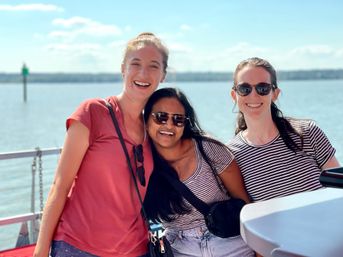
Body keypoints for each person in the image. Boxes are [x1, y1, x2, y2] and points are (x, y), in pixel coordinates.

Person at [33, 32, 169, 257]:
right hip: (77, 247)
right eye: (135, 64)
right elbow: (60, 186)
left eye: (153, 66)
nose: (143, 73)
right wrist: (40, 250)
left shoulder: (154, 128)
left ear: (163, 75)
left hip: (135, 250)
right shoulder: (93, 112)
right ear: (123, 69)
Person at [143, 87, 255, 257]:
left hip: (230, 243)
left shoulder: (208, 149)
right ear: (146, 118)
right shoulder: (141, 162)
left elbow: (244, 203)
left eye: (178, 119)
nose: (169, 125)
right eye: (161, 117)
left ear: (185, 123)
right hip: (180, 248)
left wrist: (259, 250)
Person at [228, 57, 340, 202]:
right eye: (244, 89)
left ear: (275, 93)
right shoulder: (232, 154)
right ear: (234, 95)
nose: (253, 95)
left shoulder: (307, 132)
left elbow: (339, 188)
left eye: (262, 88)